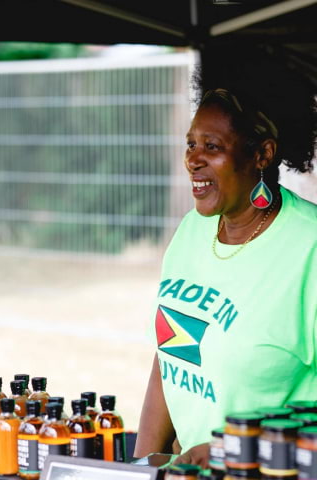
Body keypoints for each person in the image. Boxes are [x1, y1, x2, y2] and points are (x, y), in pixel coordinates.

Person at [134, 48, 317, 467]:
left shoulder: (310, 248)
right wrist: (142, 468)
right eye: (191, 144)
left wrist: (229, 451)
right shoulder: (191, 232)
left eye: (212, 146)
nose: (193, 160)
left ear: (262, 154)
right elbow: (168, 358)